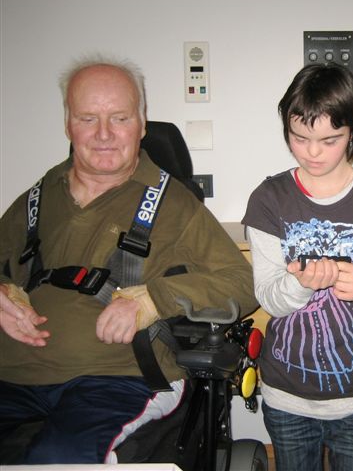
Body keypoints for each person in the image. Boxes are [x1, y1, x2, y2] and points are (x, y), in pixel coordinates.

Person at [0, 55, 258, 464]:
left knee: (59, 458)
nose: (104, 134)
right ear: (68, 123)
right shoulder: (37, 196)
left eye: (119, 118)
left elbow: (242, 283)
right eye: (88, 118)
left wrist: (153, 299)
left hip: (119, 379)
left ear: (141, 122)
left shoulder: (176, 205)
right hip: (12, 375)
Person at [242, 63, 353, 471]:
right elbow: (269, 298)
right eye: (299, 138)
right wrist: (301, 285)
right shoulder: (268, 199)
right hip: (286, 394)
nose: (312, 152)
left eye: (329, 140)